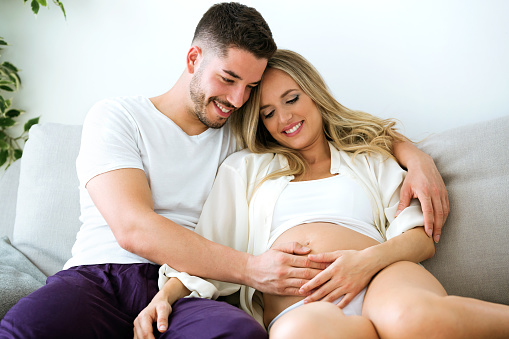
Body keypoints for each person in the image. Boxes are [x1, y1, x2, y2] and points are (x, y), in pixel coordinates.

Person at [1, 3, 447, 339]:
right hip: (101, 273)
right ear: (194, 59)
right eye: (228, 79)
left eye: (249, 88)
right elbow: (134, 229)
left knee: (239, 335)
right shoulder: (118, 116)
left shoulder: (245, 136)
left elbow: (328, 130)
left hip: (188, 286)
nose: (237, 100)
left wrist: (414, 156)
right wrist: (254, 270)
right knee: (26, 328)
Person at [136, 49, 509, 339]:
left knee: (415, 320)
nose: (284, 118)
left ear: (313, 94)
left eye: (292, 98)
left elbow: (419, 237)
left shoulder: (368, 157)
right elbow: (209, 249)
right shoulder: (244, 170)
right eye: (267, 112)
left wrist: (364, 263)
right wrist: (164, 297)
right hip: (303, 308)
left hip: (383, 279)